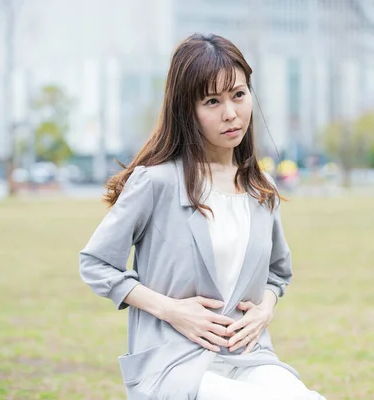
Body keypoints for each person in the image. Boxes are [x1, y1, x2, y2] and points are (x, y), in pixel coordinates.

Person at [79, 33, 326, 400]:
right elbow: (96, 264)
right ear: (187, 109)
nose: (231, 113)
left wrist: (265, 311)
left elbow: (278, 273)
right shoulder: (157, 181)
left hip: (248, 359)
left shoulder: (262, 188)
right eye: (212, 100)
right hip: (173, 365)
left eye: (238, 95)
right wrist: (172, 311)